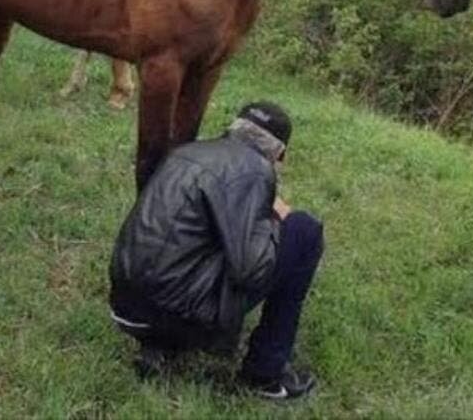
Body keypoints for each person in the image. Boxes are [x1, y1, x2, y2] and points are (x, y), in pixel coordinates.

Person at [109, 101, 323, 400]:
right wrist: (273, 219)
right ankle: (265, 374)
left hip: (126, 306)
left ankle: (160, 345)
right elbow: (251, 269)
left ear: (233, 129)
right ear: (279, 155)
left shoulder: (187, 151)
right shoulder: (255, 171)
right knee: (305, 231)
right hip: (172, 313)